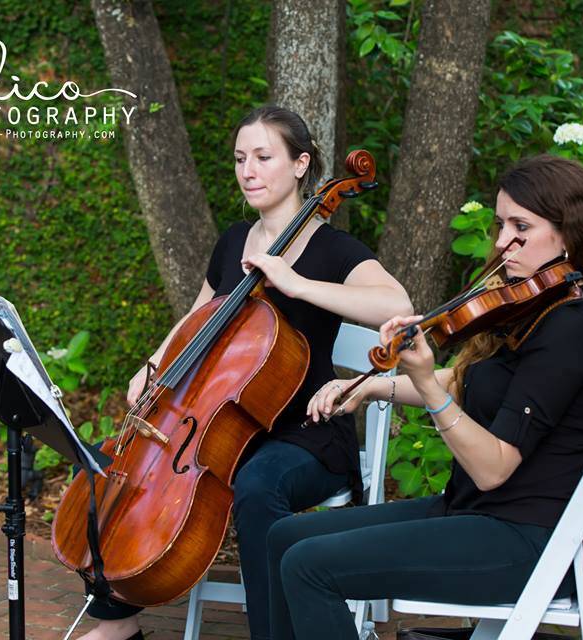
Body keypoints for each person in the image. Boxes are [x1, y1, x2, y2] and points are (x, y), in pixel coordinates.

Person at [77, 105, 413, 640]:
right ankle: (118, 622)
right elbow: (196, 316)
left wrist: (296, 283)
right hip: (221, 428)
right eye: (239, 159)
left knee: (257, 489)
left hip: (305, 434)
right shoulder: (234, 240)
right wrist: (154, 367)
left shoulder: (331, 248)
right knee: (103, 468)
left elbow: (396, 302)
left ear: (301, 165)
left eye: (263, 157)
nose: (247, 170)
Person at [266, 154, 583, 640]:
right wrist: (372, 385)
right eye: (501, 224)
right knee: (284, 537)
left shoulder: (575, 329)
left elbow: (493, 467)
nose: (503, 242)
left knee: (309, 565)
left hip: (529, 540)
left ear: (569, 234)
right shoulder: (537, 306)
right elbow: (468, 379)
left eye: (521, 227)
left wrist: (424, 384)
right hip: (474, 512)